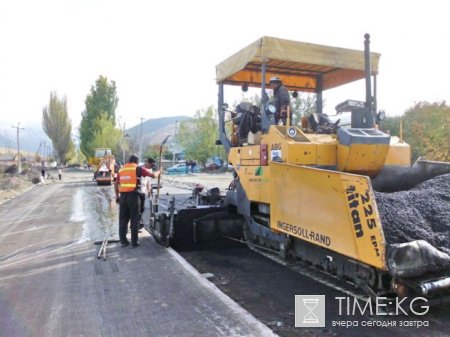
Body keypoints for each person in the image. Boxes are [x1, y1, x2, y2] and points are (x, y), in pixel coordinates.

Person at [115, 154, 161, 247]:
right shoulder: (138, 169)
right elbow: (153, 175)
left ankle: (123, 241)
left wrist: (117, 196)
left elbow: (116, 184)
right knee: (134, 219)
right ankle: (134, 242)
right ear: (136, 162)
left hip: (123, 196)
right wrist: (160, 170)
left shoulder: (121, 170)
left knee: (123, 219)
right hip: (134, 196)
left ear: (129, 161)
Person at [138, 157, 157, 229]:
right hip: (136, 190)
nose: (151, 167)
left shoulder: (150, 169)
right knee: (138, 208)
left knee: (144, 208)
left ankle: (140, 222)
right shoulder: (139, 167)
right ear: (147, 162)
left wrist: (149, 191)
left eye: (152, 166)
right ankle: (137, 223)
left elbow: (148, 181)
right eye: (151, 165)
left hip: (142, 191)